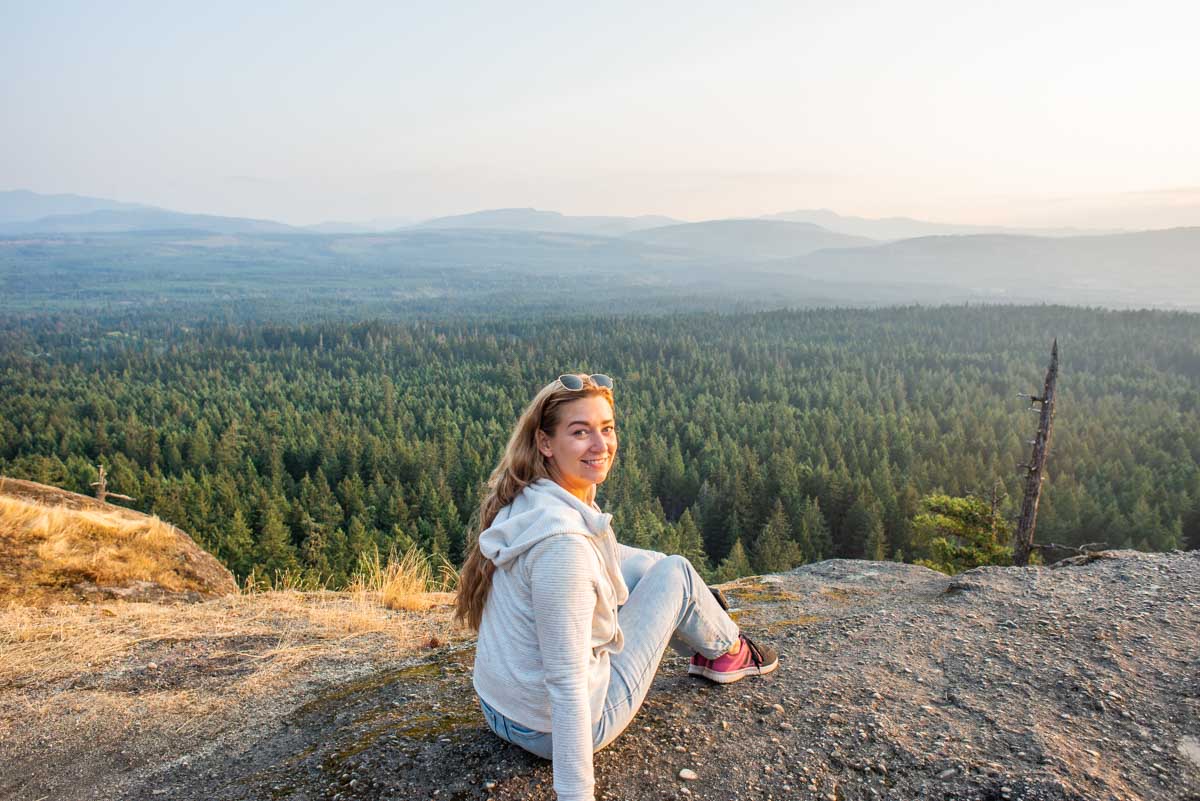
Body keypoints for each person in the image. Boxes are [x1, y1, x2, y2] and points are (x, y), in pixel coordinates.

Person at [454, 373, 778, 801]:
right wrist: (576, 794)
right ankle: (728, 651)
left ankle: (704, 620)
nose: (600, 444)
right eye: (580, 432)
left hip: (499, 707)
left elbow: (610, 555)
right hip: (546, 730)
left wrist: (661, 574)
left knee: (662, 569)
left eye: (606, 428)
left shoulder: (533, 498)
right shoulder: (564, 550)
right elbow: (567, 684)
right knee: (678, 573)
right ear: (545, 442)